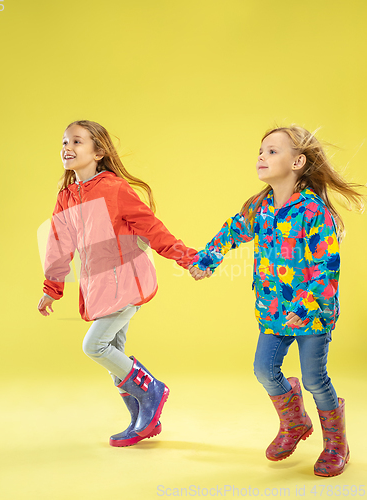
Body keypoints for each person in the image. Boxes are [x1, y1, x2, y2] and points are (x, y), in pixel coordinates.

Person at [189, 126, 364, 477]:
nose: (261, 156)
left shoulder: (313, 211)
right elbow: (232, 231)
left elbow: (327, 267)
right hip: (272, 309)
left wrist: (307, 306)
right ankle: (295, 422)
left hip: (312, 314)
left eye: (272, 151)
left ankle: (336, 442)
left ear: (298, 161)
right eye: (261, 151)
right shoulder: (260, 207)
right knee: (264, 370)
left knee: (315, 380)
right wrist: (208, 259)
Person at [37, 120, 198, 447]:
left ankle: (152, 390)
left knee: (95, 346)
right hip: (98, 287)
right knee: (114, 353)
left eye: (77, 142)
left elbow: (152, 228)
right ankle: (142, 421)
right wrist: (51, 288)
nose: (67, 147)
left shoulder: (114, 189)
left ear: (98, 152)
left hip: (127, 281)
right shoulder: (67, 197)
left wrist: (187, 257)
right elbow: (58, 244)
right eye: (65, 142)